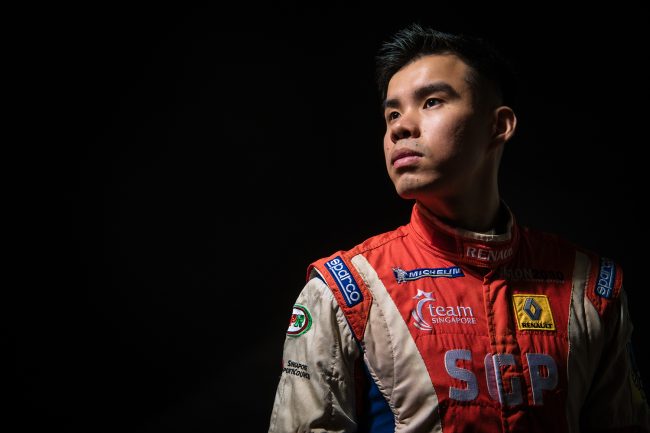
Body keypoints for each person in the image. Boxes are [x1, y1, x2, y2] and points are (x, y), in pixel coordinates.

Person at [267, 23, 649, 432]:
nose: (399, 127)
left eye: (431, 102)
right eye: (392, 114)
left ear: (499, 125)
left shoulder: (591, 287)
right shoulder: (346, 290)